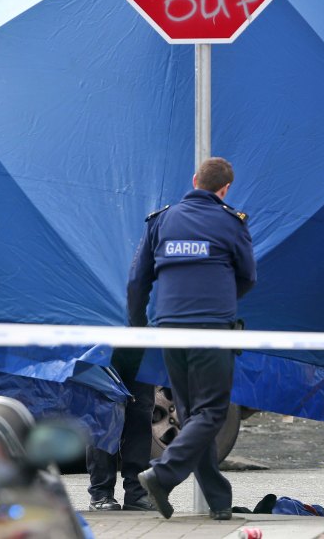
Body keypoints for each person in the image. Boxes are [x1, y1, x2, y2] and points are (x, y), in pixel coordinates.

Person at [128, 157, 256, 521]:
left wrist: (137, 324)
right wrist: (220, 300)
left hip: (170, 326)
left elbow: (138, 280)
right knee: (212, 412)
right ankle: (163, 475)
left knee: (190, 415)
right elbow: (248, 276)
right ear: (225, 189)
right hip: (211, 328)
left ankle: (218, 500)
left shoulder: (161, 220)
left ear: (195, 179)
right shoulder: (231, 222)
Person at [85, 346, 156, 512]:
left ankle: (136, 494)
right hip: (103, 344)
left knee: (140, 416)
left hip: (141, 344)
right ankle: (101, 493)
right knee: (103, 416)